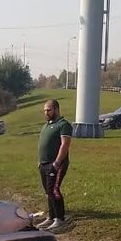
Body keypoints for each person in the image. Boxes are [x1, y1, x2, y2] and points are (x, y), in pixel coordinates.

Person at [37, 98, 73, 233]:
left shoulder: (63, 125)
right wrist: (40, 162)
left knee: (54, 190)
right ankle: (51, 217)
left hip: (56, 164)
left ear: (56, 109)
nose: (46, 113)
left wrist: (57, 162)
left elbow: (65, 144)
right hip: (44, 164)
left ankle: (60, 219)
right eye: (45, 110)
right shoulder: (46, 125)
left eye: (49, 110)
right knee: (48, 191)